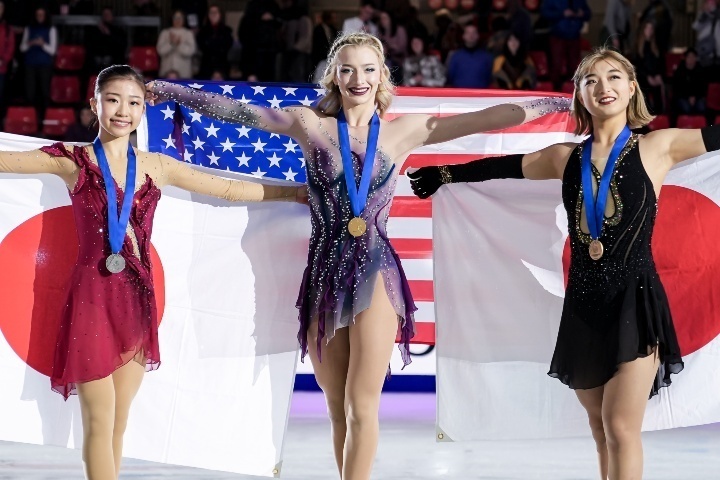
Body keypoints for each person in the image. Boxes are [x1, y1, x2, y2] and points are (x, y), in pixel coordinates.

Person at [147, 32, 568, 480]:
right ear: (334, 76)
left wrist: (554, 102)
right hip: (325, 273)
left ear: (382, 75)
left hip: (375, 271)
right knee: (336, 407)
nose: (358, 78)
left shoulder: (405, 130)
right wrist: (174, 91)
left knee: (360, 402)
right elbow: (240, 114)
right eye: (347, 69)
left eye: (368, 69)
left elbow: (486, 119)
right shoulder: (309, 124)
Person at [406, 46, 720, 480]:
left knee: (621, 426)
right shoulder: (563, 157)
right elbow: (507, 167)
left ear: (632, 89)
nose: (602, 87)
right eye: (590, 80)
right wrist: (446, 174)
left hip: (636, 300)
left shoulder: (659, 145)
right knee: (598, 426)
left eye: (613, 77)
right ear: (580, 96)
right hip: (584, 305)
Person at [0, 64, 304, 480]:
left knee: (119, 423)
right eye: (113, 100)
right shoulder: (71, 161)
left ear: (144, 110)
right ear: (95, 104)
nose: (122, 110)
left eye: (134, 102)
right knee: (99, 422)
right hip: (91, 298)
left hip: (135, 301)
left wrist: (295, 193)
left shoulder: (157, 166)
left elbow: (229, 189)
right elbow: (7, 162)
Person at [19, 6, 56, 128]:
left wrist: (42, 44)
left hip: (45, 65)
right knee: (29, 93)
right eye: (37, 14)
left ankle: (44, 121)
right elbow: (22, 48)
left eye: (42, 14)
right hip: (30, 64)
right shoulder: (29, 29)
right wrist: (30, 43)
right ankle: (30, 120)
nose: (39, 17)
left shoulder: (51, 29)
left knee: (44, 93)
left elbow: (52, 50)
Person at [446, 23, 493, 88]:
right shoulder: (455, 56)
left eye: (474, 33)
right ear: (463, 36)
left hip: (481, 95)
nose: (471, 35)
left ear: (478, 36)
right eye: (468, 33)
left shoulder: (487, 57)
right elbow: (450, 77)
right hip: (460, 95)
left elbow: (489, 77)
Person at [196, 4, 233, 79]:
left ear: (220, 15)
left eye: (216, 12)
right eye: (211, 12)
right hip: (206, 67)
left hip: (222, 66)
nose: (213, 15)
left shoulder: (227, 31)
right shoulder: (202, 32)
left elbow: (226, 47)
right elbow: (203, 47)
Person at [157, 10, 197, 79]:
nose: (178, 20)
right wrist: (171, 43)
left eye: (180, 18)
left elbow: (191, 51)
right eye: (175, 17)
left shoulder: (188, 33)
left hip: (184, 74)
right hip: (166, 74)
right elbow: (160, 51)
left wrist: (179, 44)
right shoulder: (165, 32)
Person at [671, 48, 707, 116]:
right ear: (685, 58)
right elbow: (677, 88)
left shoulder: (700, 71)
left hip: (697, 97)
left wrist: (694, 97)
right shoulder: (679, 71)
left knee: (701, 107)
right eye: (689, 57)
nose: (691, 59)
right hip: (683, 97)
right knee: (686, 108)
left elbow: (703, 88)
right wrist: (688, 97)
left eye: (693, 57)